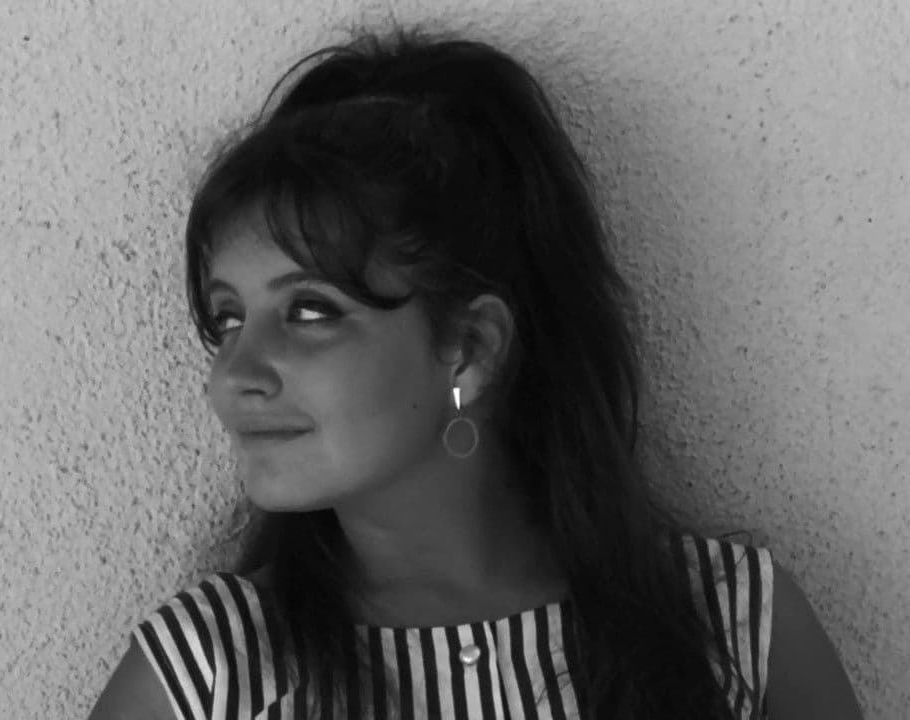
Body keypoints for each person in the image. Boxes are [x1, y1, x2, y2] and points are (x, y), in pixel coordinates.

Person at [88, 28, 863, 720]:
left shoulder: (735, 625)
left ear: (470, 345)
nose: (233, 378)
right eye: (227, 318)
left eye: (310, 310)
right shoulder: (202, 676)